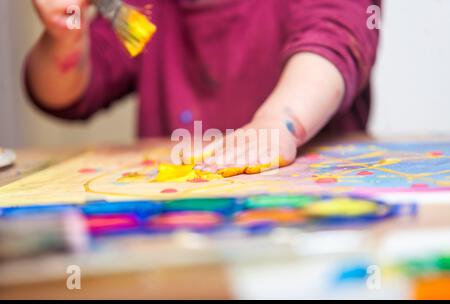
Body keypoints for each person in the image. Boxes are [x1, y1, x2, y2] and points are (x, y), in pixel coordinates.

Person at [25, 0, 380, 176]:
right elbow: (64, 96)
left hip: (310, 227)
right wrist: (66, 38)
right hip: (183, 229)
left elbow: (334, 42)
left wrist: (277, 122)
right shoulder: (145, 11)